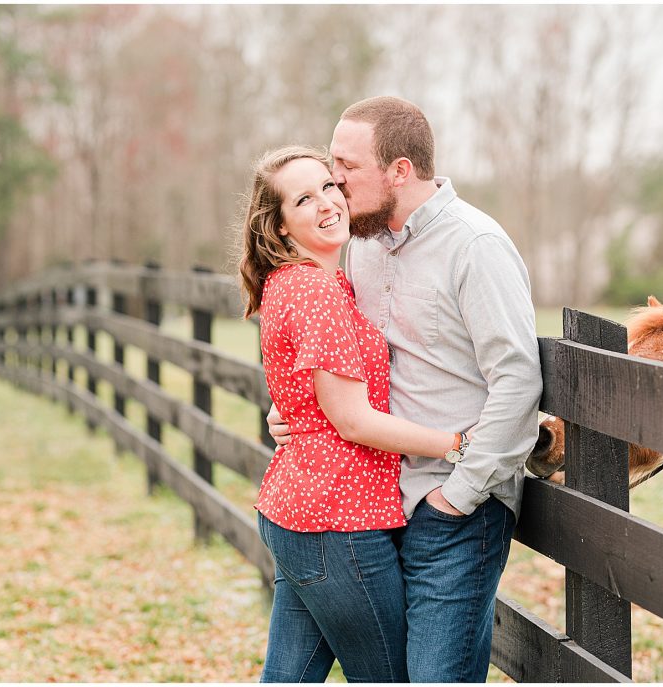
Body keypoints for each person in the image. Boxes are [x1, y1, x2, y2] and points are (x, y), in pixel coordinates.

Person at [268, 96, 543, 682]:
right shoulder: (359, 245)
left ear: (399, 171)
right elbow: (335, 352)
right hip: (376, 504)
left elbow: (517, 380)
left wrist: (460, 495)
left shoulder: (476, 245)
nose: (334, 180)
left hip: (453, 508)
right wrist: (295, 405)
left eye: (346, 166)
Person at [238, 144, 472, 683]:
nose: (327, 202)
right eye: (303, 198)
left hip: (299, 514)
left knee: (288, 678)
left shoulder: (299, 284)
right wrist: (455, 443)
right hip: (338, 525)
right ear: (279, 229)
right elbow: (352, 420)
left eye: (327, 185)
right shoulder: (317, 290)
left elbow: (308, 392)